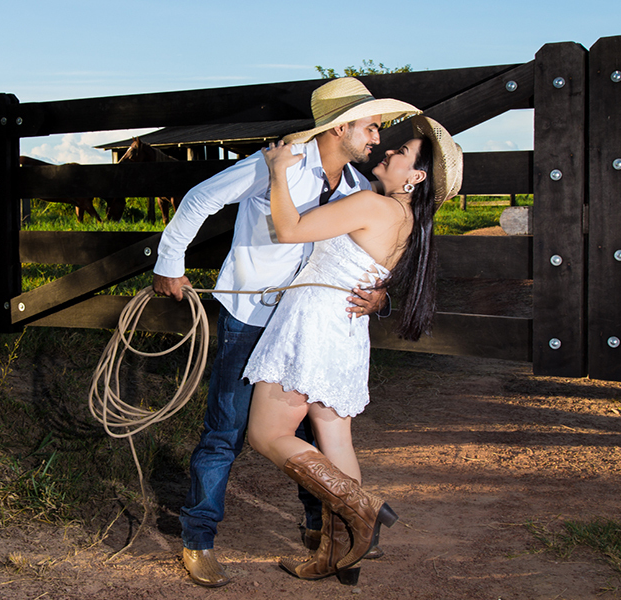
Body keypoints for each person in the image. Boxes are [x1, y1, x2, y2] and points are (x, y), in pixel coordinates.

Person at [152, 77, 420, 587]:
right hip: (252, 316)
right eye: (370, 125)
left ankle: (330, 529)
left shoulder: (359, 189)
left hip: (303, 325)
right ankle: (198, 539)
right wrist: (170, 261)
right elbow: (200, 197)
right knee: (226, 430)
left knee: (306, 431)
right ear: (340, 127)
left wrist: (380, 296)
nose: (376, 137)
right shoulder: (276, 164)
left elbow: (371, 250)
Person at [244, 115, 464, 584]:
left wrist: (279, 169)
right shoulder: (407, 220)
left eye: (401, 153)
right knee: (335, 439)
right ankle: (338, 554)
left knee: (265, 435)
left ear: (416, 177)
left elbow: (289, 229)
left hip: (313, 324)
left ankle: (363, 508)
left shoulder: (372, 204)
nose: (388, 152)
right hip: (343, 330)